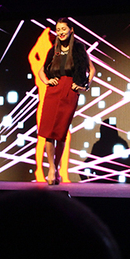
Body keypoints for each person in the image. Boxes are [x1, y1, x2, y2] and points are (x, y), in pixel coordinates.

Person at [37, 18, 95, 185]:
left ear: (71, 30)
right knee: (48, 132)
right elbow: (41, 70)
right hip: (53, 92)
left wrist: (85, 85)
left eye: (63, 29)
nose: (60, 32)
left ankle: (56, 167)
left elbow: (91, 69)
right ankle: (51, 169)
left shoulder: (78, 48)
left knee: (60, 132)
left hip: (70, 91)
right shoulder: (53, 49)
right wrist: (47, 81)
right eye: (58, 29)